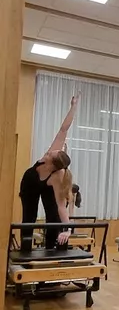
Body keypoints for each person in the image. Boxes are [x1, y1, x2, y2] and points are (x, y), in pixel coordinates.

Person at [20, 93, 79, 247]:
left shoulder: (58, 176)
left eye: (51, 154)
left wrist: (68, 229)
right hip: (30, 182)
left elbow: (61, 206)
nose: (49, 152)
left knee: (53, 215)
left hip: (47, 185)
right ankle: (25, 248)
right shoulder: (52, 156)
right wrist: (73, 107)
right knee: (29, 216)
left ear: (53, 164)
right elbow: (63, 130)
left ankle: (52, 246)